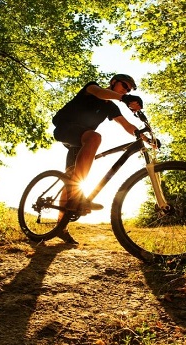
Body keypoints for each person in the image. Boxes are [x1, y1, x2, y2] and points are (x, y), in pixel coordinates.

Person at [52, 74, 145, 245]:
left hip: (81, 140)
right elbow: (101, 93)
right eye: (124, 86)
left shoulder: (111, 108)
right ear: (113, 82)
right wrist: (124, 98)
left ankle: (61, 226)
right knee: (95, 138)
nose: (125, 90)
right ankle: (79, 197)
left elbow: (126, 125)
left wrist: (144, 137)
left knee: (70, 180)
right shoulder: (93, 88)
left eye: (128, 90)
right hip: (65, 128)